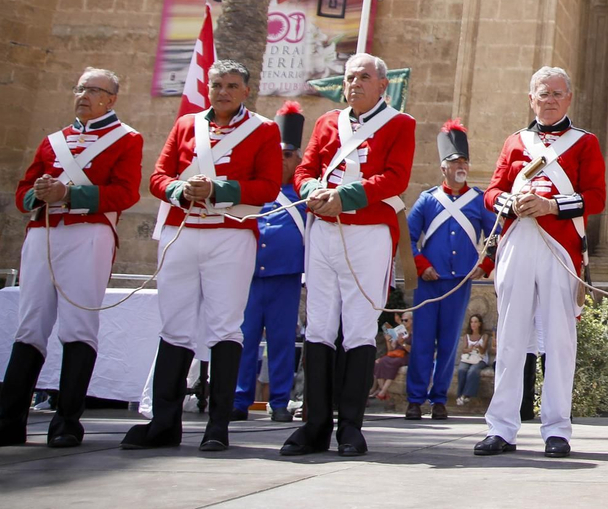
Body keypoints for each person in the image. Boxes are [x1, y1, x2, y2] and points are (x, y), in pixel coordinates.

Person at [123, 60, 282, 452]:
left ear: (245, 91)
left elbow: (267, 186)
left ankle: (218, 426)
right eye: (217, 85)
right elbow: (159, 176)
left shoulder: (263, 130)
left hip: (229, 236)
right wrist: (179, 191)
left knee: (225, 328)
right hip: (182, 233)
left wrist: (218, 188)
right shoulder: (186, 126)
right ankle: (164, 423)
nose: (223, 92)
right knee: (174, 327)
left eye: (231, 85)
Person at [0, 68, 143, 448]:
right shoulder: (53, 141)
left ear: (111, 99)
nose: (84, 95)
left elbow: (125, 194)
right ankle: (10, 420)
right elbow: (24, 189)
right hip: (43, 233)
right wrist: (38, 194)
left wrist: (70, 195)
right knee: (30, 326)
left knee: (77, 325)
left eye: (94, 90)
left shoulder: (126, 139)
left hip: (87, 233)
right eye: (80, 88)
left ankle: (67, 421)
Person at [282, 53, 415, 458]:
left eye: (363, 77)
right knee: (319, 327)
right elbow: (305, 170)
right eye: (349, 77)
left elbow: (395, 177)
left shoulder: (400, 124)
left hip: (369, 233)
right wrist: (311, 194)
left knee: (357, 329)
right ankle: (314, 425)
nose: (354, 83)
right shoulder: (327, 123)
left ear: (382, 85)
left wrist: (346, 197)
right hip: (323, 230)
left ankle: (351, 429)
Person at [477, 66, 606, 459]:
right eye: (541, 93)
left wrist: (551, 206)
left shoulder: (584, 143)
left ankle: (557, 429)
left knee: (559, 340)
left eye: (556, 93)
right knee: (511, 336)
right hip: (518, 240)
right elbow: (493, 190)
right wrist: (509, 203)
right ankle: (501, 427)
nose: (548, 100)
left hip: (560, 245)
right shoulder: (515, 141)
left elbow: (596, 197)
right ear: (530, 98)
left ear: (568, 99)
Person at [404, 120, 496, 420]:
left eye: (464, 161)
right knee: (421, 342)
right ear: (443, 167)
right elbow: (406, 238)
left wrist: (485, 265)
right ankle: (415, 399)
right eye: (455, 161)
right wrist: (422, 266)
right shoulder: (427, 200)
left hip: (458, 284)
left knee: (447, 343)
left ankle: (439, 398)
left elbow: (496, 234)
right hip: (429, 282)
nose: (461, 166)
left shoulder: (479, 200)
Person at [233, 101, 308, 423]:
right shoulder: (257, 189)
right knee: (244, 339)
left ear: (298, 159)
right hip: (249, 274)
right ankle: (238, 399)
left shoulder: (303, 195)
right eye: (276, 153)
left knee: (280, 342)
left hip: (286, 277)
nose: (281, 160)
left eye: (287, 155)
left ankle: (279, 401)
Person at [372, 313, 409, 401]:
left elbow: (413, 350)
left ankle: (383, 391)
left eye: (406, 320)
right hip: (396, 354)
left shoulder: (414, 333)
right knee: (380, 362)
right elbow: (391, 350)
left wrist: (402, 343)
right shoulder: (399, 332)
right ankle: (384, 391)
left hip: (406, 355)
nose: (404, 322)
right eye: (403, 320)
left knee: (393, 363)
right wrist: (388, 341)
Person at [455, 314, 489, 406]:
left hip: (480, 359)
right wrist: (470, 349)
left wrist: (479, 347)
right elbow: (464, 350)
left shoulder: (484, 336)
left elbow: (483, 351)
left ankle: (466, 395)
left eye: (475, 322)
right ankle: (460, 395)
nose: (473, 324)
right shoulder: (467, 336)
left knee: (473, 371)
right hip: (468, 358)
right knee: (462, 370)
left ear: (479, 324)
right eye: (471, 322)